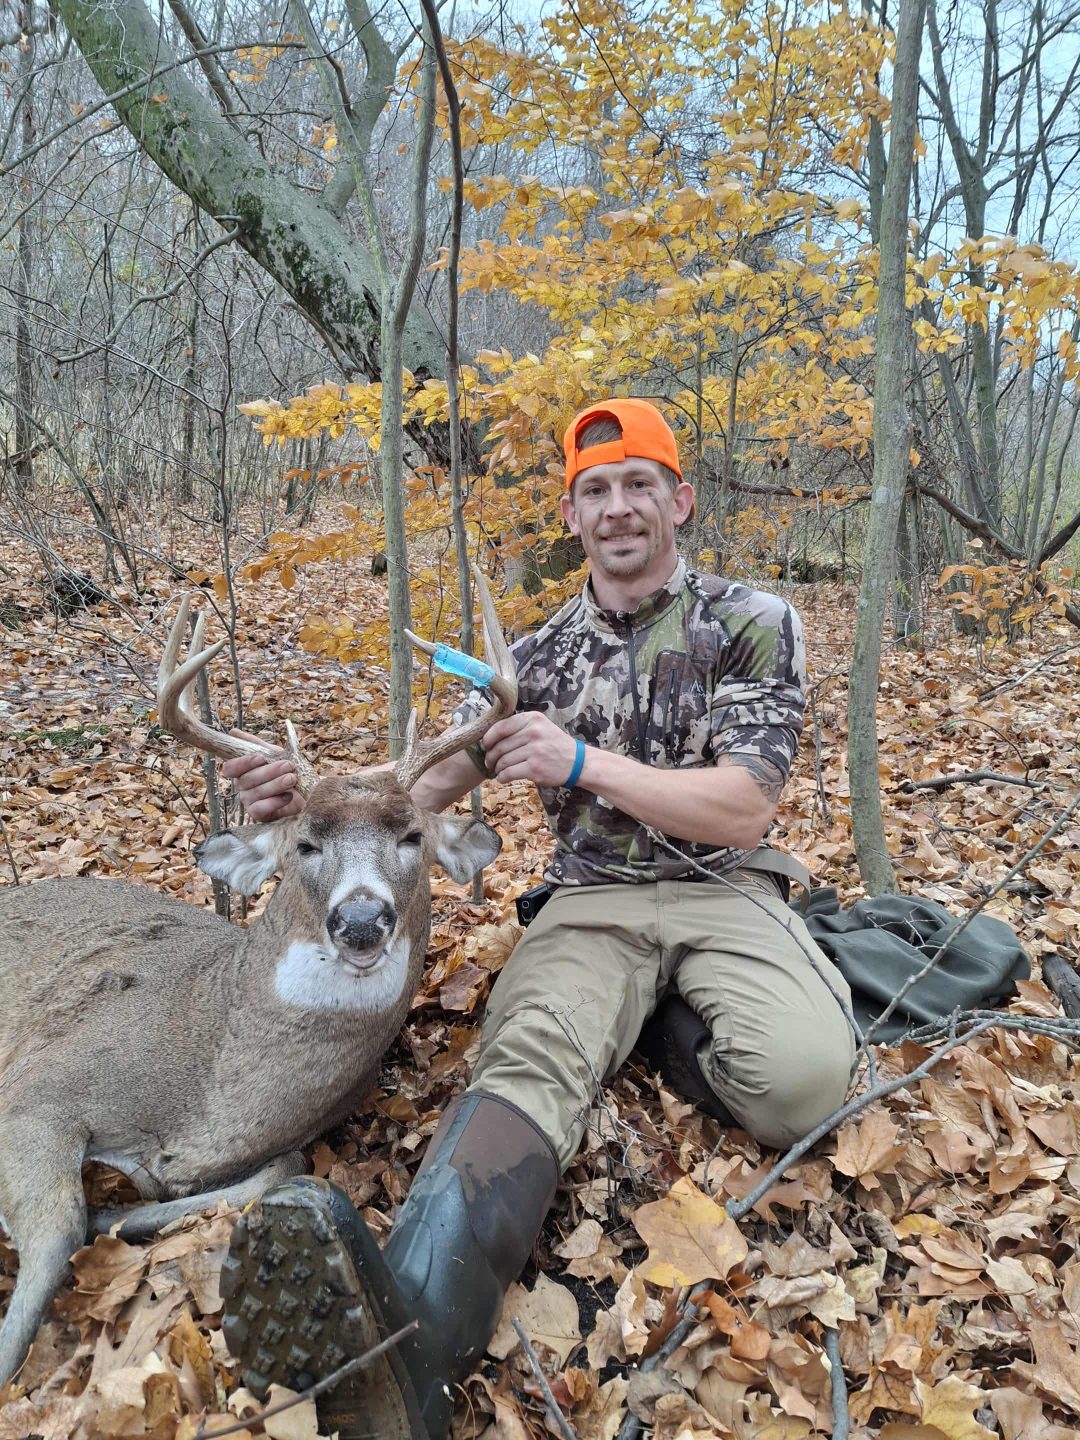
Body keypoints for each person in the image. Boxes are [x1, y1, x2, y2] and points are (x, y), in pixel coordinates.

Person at [218, 399, 855, 1440]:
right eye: (595, 490)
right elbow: (410, 796)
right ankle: (410, 1341)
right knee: (526, 1063)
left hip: (729, 886)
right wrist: (300, 807)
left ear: (681, 501)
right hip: (591, 902)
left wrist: (578, 762)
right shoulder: (529, 663)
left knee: (806, 1086)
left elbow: (746, 805)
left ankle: (662, 1025)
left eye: (640, 484)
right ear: (571, 516)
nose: (618, 507)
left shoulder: (751, 621)